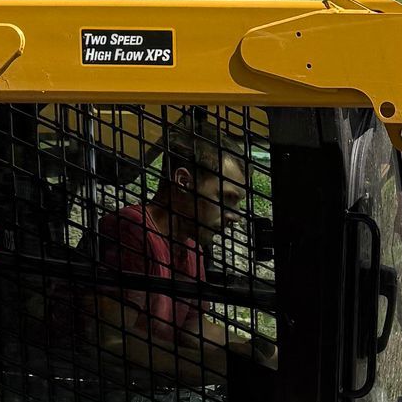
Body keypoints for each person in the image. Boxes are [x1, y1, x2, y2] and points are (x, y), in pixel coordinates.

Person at [95, 119, 273, 387]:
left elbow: (191, 326)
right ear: (183, 181)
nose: (235, 217)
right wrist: (208, 365)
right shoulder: (132, 232)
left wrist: (252, 351)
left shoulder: (190, 246)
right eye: (226, 198)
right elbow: (112, 339)